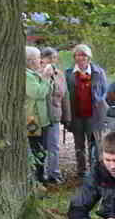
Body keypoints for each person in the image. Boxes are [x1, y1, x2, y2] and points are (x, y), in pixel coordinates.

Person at [64, 43, 107, 179]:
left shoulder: (98, 72)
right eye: (78, 54)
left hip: (94, 115)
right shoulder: (69, 74)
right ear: (74, 57)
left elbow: (104, 91)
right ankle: (81, 171)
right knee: (79, 145)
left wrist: (99, 102)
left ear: (89, 57)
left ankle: (95, 171)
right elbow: (65, 94)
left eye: (83, 55)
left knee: (94, 145)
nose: (81, 57)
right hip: (76, 115)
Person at [24, 46, 55, 183]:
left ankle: (40, 177)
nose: (41, 61)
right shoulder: (26, 75)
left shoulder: (34, 73)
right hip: (32, 120)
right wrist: (46, 78)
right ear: (30, 61)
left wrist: (45, 78)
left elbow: (47, 91)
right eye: (38, 58)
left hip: (41, 119)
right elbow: (38, 93)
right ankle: (38, 179)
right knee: (36, 148)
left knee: (42, 148)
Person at [39, 47, 65, 183]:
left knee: (53, 146)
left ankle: (53, 174)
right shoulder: (36, 73)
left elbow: (64, 95)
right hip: (38, 117)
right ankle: (39, 174)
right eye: (49, 58)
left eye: (54, 58)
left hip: (54, 114)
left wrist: (67, 117)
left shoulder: (59, 74)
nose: (52, 61)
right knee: (39, 146)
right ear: (41, 59)